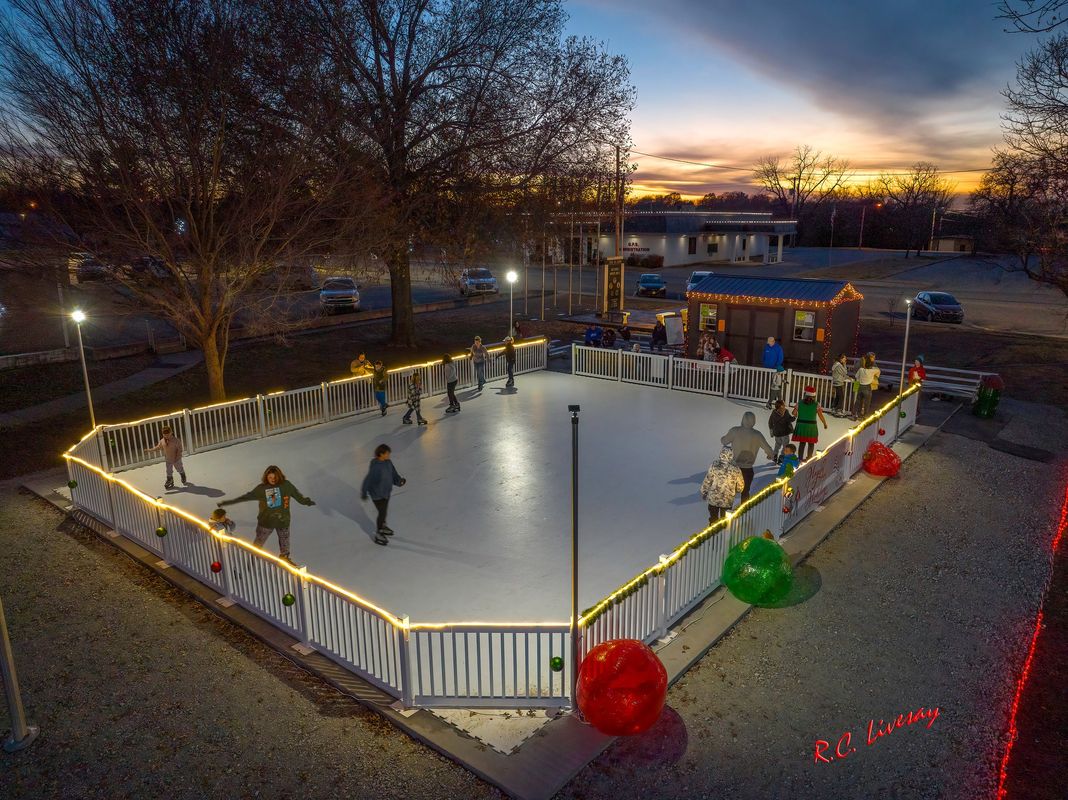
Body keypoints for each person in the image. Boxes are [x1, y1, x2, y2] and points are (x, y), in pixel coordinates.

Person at [221, 465, 315, 567]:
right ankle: (252, 559)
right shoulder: (262, 489)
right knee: (259, 542)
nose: (273, 480)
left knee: (285, 540)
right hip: (266, 522)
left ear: (279, 476)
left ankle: (285, 556)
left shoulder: (286, 486)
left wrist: (307, 502)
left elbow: (298, 496)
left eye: (275, 477)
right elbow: (247, 496)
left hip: (283, 520)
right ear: (266, 477)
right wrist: (229, 502)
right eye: (270, 478)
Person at [720, 411, 774, 502]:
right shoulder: (757, 434)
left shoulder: (735, 431)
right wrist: (770, 455)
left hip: (734, 468)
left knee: (730, 491)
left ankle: (727, 512)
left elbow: (724, 441)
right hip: (748, 469)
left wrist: (723, 438)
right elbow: (768, 449)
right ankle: (743, 512)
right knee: (745, 492)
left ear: (743, 419)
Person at [360, 443, 406, 546]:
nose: (389, 455)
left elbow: (393, 474)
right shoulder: (375, 467)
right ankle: (379, 532)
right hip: (377, 494)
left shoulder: (388, 462)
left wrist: (399, 481)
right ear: (381, 454)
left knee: (384, 512)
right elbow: (368, 480)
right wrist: (364, 492)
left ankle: (383, 526)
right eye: (387, 453)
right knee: (382, 513)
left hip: (386, 492)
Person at [700, 447, 746, 524]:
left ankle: (712, 533)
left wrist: (704, 491)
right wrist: (738, 490)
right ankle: (723, 533)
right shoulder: (735, 469)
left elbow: (708, 479)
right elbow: (741, 484)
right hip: (727, 500)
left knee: (713, 518)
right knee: (725, 520)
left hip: (713, 498)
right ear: (731, 455)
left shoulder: (715, 465)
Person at [791, 386, 829, 461]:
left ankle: (800, 458)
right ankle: (809, 458)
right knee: (811, 443)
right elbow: (820, 415)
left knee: (802, 443)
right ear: (814, 396)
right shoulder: (816, 404)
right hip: (811, 426)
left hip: (801, 425)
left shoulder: (800, 403)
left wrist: (796, 414)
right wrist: (824, 423)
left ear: (805, 395)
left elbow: (793, 413)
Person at [145, 425, 186, 491]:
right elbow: (158, 447)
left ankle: (182, 474)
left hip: (176, 459)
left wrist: (177, 457)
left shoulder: (176, 441)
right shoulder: (162, 441)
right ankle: (170, 479)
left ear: (171, 432)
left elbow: (180, 450)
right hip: (168, 459)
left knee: (179, 468)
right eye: (165, 435)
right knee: (168, 470)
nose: (166, 436)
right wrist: (149, 450)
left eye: (168, 435)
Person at [768, 399, 796, 464]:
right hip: (784, 433)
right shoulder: (785, 412)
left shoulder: (774, 412)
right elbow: (789, 419)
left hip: (777, 433)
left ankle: (774, 456)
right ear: (782, 406)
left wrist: (771, 430)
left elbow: (770, 422)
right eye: (783, 404)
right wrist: (794, 417)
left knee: (777, 445)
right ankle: (782, 457)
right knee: (785, 446)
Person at [853, 355, 877, 419]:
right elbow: (878, 371)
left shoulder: (861, 369)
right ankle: (864, 415)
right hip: (867, 387)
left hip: (860, 386)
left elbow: (856, 377)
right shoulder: (872, 371)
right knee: (867, 402)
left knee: (858, 401)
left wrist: (855, 388)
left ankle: (855, 414)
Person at [830, 353, 849, 417]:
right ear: (841, 358)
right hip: (839, 382)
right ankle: (838, 410)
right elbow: (845, 372)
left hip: (836, 381)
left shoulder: (836, 364)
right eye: (844, 358)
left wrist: (847, 377)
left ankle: (834, 408)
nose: (845, 359)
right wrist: (845, 364)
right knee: (841, 397)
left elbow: (842, 374)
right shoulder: (839, 365)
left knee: (838, 396)